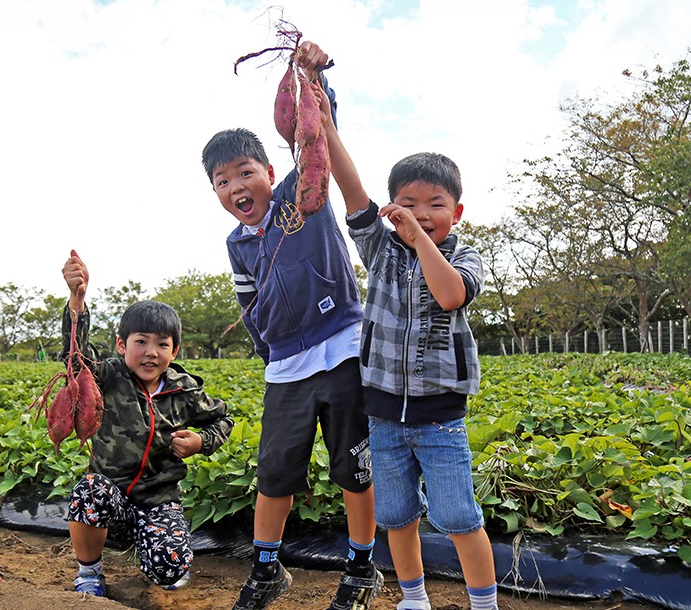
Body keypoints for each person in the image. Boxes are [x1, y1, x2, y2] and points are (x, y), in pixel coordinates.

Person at [201, 41, 381, 610]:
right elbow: (249, 305)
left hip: (343, 349)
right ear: (215, 193)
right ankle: (266, 570)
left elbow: (315, 132)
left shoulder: (303, 195)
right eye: (223, 182)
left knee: (355, 469)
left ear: (270, 172)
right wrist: (269, 352)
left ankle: (360, 569)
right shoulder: (236, 243)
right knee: (274, 475)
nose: (236, 188)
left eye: (245, 173)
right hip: (285, 368)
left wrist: (312, 76)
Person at [315, 83, 499, 610]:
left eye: (435, 205)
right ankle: (414, 598)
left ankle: (483, 603)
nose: (422, 214)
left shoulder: (467, 257)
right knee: (395, 516)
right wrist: (327, 126)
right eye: (410, 204)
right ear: (394, 206)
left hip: (441, 418)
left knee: (460, 516)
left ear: (457, 212)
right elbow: (350, 190)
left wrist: (420, 239)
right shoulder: (380, 248)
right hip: (384, 417)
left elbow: (449, 295)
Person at [60, 249, 235, 598]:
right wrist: (76, 300)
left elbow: (224, 419)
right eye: (140, 342)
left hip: (159, 499)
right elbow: (74, 355)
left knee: (170, 572)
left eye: (162, 344)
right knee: (89, 490)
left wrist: (201, 442)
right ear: (121, 345)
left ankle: (152, 546)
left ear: (175, 351)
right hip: (112, 494)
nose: (151, 352)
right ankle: (90, 572)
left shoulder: (185, 391)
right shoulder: (109, 376)